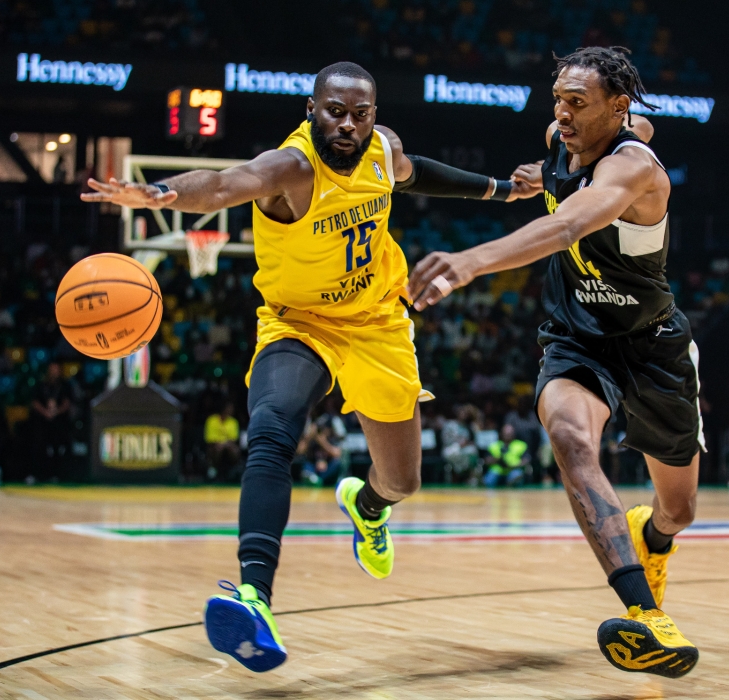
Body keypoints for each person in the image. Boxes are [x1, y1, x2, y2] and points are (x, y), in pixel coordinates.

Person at [82, 61, 536, 672]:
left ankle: (368, 507)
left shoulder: (382, 149)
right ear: (311, 109)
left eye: (360, 113)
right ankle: (254, 597)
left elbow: (417, 174)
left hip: (377, 322)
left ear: (373, 114)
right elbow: (221, 185)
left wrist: (503, 190)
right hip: (299, 323)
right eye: (335, 112)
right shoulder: (290, 169)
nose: (348, 124)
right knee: (272, 427)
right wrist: (161, 195)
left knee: (402, 481)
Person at [408, 46, 699, 677]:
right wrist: (545, 174)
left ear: (617, 106)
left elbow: (568, 227)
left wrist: (468, 262)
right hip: (578, 339)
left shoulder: (636, 171)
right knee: (569, 437)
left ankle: (655, 539)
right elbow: (576, 162)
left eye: (578, 102)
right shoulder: (560, 139)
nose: (562, 114)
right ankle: (646, 616)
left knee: (679, 510)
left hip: (653, 345)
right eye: (558, 99)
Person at [30, 363, 75, 481]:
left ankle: (56, 475)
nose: (54, 372)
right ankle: (37, 475)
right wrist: (45, 412)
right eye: (52, 370)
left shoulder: (64, 386)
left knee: (57, 448)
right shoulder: (41, 385)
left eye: (56, 370)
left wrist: (56, 412)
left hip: (58, 423)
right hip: (42, 422)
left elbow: (67, 403)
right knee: (39, 447)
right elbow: (34, 402)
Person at [204, 402, 242, 482]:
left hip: (228, 445)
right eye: (229, 409)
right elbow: (210, 439)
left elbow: (233, 439)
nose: (231, 411)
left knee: (235, 450)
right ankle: (214, 470)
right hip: (215, 445)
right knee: (217, 449)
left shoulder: (233, 422)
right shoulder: (212, 420)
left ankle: (233, 471)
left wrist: (224, 444)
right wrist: (220, 444)